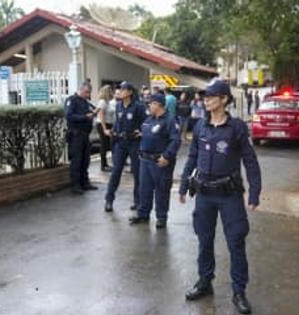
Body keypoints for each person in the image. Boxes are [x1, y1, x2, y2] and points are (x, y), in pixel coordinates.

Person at [179, 79, 261, 314]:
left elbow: (250, 160)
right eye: (204, 96)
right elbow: (192, 158)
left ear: (224, 99)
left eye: (211, 96)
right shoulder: (201, 127)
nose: (206, 99)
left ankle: (239, 291)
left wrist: (254, 191)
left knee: (236, 242)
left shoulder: (236, 128)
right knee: (204, 240)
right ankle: (205, 282)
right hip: (204, 194)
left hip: (229, 195)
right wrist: (184, 185)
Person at [129, 93, 181, 228]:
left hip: (160, 161)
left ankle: (161, 217)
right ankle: (143, 214)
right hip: (145, 160)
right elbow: (146, 132)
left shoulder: (170, 120)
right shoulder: (149, 119)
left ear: (158, 105)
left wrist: (167, 156)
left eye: (151, 104)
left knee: (161, 190)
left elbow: (175, 141)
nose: (149, 106)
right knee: (144, 189)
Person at [104, 81, 147, 212]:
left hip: (134, 143)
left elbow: (146, 123)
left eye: (122, 90)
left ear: (129, 92)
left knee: (137, 173)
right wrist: (113, 132)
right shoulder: (118, 106)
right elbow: (118, 122)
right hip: (121, 143)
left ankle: (138, 201)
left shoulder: (138, 107)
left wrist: (141, 131)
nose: (120, 92)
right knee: (116, 171)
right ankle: (109, 200)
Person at [65, 82, 99, 194]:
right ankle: (76, 185)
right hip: (76, 135)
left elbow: (91, 111)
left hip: (85, 135)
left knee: (85, 160)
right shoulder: (72, 100)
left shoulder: (85, 102)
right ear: (80, 90)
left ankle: (85, 182)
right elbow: (69, 116)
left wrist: (93, 113)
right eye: (86, 92)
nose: (88, 94)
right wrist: (84, 117)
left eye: (89, 93)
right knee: (77, 160)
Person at [95, 85, 116, 172]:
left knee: (107, 145)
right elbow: (101, 115)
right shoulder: (103, 102)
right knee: (104, 144)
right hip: (103, 124)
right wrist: (104, 129)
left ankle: (106, 164)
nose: (112, 92)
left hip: (109, 124)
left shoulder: (107, 102)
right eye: (110, 90)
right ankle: (103, 165)